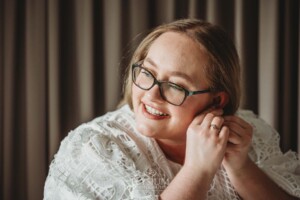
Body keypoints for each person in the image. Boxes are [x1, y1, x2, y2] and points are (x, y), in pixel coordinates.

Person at [44, 19, 300, 199]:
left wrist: (241, 167)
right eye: (147, 72)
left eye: (176, 86)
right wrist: (196, 172)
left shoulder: (251, 135)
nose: (151, 94)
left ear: (217, 101)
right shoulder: (94, 148)